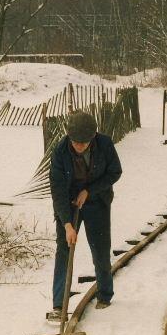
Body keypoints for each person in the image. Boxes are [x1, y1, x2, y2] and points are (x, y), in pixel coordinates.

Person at [48, 111, 122, 320]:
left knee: (100, 247)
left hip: (97, 201)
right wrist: (67, 225)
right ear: (69, 137)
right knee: (64, 249)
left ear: (93, 137)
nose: (79, 146)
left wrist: (89, 191)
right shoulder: (60, 152)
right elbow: (58, 190)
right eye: (75, 142)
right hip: (69, 204)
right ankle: (58, 304)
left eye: (84, 143)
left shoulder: (105, 145)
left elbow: (115, 172)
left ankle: (105, 295)